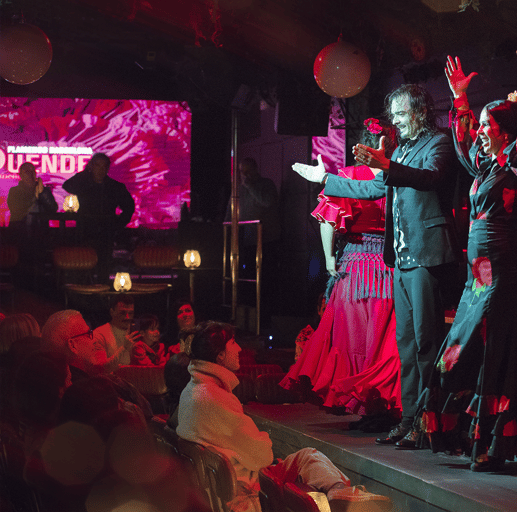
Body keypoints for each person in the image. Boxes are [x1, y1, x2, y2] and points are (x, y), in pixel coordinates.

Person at [417, 36, 517, 472]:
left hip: (501, 274)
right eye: (479, 124)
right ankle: (476, 438)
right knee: (462, 349)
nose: (479, 131)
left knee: (493, 351)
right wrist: (459, 98)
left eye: (486, 124)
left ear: (506, 129)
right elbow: (463, 144)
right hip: (477, 277)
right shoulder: (486, 168)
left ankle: (491, 445)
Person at [292, 84, 460, 449]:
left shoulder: (439, 143)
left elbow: (430, 178)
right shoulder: (403, 147)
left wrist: (387, 164)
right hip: (399, 260)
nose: (396, 122)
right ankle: (410, 418)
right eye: (394, 116)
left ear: (418, 111)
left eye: (400, 115)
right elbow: (373, 190)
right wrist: (325, 180)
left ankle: (431, 421)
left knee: (427, 342)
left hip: (426, 255)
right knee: (406, 344)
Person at [176, 321, 393, 512]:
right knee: (307, 458)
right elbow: (262, 455)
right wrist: (264, 442)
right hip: (248, 488)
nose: (240, 348)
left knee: (308, 456)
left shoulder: (195, 390)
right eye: (233, 342)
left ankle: (340, 493)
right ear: (220, 355)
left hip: (233, 480)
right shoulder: (213, 398)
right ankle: (343, 496)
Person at [281, 119, 401, 431]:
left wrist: (330, 257)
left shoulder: (385, 174)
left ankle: (376, 407)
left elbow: (329, 219)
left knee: (373, 339)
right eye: (383, 142)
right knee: (365, 337)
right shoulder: (366, 174)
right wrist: (330, 257)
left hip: (377, 263)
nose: (386, 147)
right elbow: (329, 218)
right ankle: (372, 407)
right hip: (370, 262)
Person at [40, 309, 152, 420]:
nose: (95, 340)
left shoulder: (60, 391)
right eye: (89, 334)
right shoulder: (93, 396)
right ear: (72, 346)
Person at [62, 153, 135, 280]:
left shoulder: (115, 187)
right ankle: (84, 293)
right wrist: (86, 173)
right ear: (91, 166)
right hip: (85, 231)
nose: (100, 170)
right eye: (97, 166)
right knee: (84, 266)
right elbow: (67, 185)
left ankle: (102, 294)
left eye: (103, 167)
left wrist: (117, 225)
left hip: (106, 232)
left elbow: (129, 207)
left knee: (103, 268)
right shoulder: (84, 185)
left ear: (107, 168)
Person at [227, 157, 281, 328]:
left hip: (267, 240)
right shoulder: (239, 189)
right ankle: (247, 320)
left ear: (256, 169)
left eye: (248, 171)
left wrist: (250, 186)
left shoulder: (266, 184)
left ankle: (265, 322)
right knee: (247, 282)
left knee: (266, 282)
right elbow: (231, 211)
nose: (245, 175)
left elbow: (267, 202)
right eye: (242, 172)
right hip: (247, 241)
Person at [92, 294, 139, 372]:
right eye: (122, 313)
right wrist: (124, 348)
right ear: (112, 312)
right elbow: (101, 368)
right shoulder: (100, 334)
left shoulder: (136, 331)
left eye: (130, 313)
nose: (127, 317)